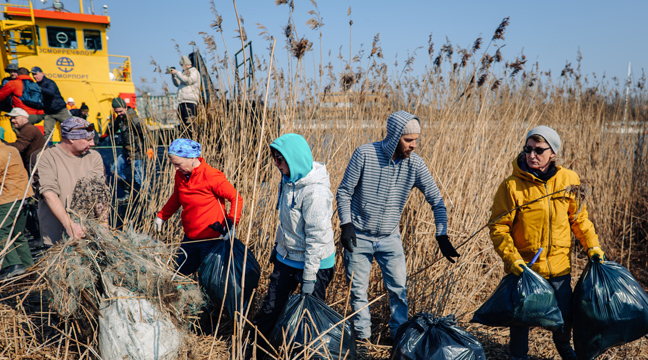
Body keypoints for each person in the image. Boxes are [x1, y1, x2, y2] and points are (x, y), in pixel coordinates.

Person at [336, 110, 459, 341]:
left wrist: (442, 235)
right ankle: (363, 340)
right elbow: (344, 191)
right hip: (358, 236)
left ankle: (399, 340)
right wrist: (346, 225)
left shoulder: (415, 164)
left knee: (399, 291)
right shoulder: (365, 154)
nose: (413, 145)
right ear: (394, 137)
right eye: (408, 140)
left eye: (416, 140)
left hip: (390, 238)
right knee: (357, 291)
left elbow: (437, 201)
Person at [488, 126, 604, 360]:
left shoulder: (569, 180)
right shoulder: (512, 186)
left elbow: (579, 219)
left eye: (539, 150)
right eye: (528, 149)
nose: (532, 155)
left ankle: (562, 347)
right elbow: (499, 227)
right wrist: (514, 261)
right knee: (520, 318)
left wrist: (592, 246)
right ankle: (518, 356)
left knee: (565, 316)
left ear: (553, 153)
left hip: (558, 267)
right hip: (525, 267)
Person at [252, 133, 336, 340]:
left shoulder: (315, 194)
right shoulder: (288, 181)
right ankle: (255, 348)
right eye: (274, 158)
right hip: (288, 257)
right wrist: (279, 248)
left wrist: (309, 278)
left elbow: (317, 239)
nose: (276, 164)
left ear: (294, 158)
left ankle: (306, 351)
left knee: (309, 317)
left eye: (280, 159)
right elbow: (286, 223)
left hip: (315, 264)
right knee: (271, 307)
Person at [155, 139, 243, 275]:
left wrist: (232, 224)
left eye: (178, 164)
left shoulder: (211, 175)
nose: (176, 169)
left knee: (208, 279)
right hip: (190, 237)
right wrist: (161, 216)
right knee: (180, 275)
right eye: (173, 165)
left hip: (211, 239)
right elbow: (176, 197)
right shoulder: (181, 175)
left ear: (192, 159)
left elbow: (236, 198)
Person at [37, 117, 104, 246]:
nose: (92, 144)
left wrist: (103, 226)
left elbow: (99, 194)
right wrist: (69, 225)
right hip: (57, 236)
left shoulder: (94, 157)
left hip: (89, 233)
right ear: (72, 139)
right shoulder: (48, 157)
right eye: (88, 140)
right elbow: (49, 193)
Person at [0, 141, 34, 281]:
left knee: (1, 230)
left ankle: (14, 265)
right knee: (18, 234)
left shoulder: (1, 153)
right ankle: (30, 268)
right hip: (24, 195)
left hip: (9, 197)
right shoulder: (11, 149)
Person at [109, 98, 145, 192]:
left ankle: (147, 196)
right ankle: (128, 190)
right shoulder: (120, 118)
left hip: (136, 152)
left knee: (139, 177)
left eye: (120, 111)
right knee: (115, 170)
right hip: (126, 152)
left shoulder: (133, 118)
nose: (119, 114)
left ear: (125, 107)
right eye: (117, 112)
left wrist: (149, 148)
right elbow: (113, 128)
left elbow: (145, 132)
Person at [30, 67, 71, 139]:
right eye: (33, 74)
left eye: (35, 74)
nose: (34, 76)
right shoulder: (36, 85)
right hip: (48, 112)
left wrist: (39, 89)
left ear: (42, 73)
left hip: (60, 110)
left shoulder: (49, 82)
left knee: (70, 129)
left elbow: (51, 92)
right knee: (47, 133)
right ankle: (47, 149)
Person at [169, 56, 200, 137]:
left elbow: (187, 80)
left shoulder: (194, 72)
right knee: (183, 124)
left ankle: (191, 139)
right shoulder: (183, 73)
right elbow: (177, 83)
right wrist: (173, 76)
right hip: (182, 101)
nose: (182, 67)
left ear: (186, 64)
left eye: (182, 65)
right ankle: (185, 138)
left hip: (190, 101)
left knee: (190, 124)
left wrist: (176, 72)